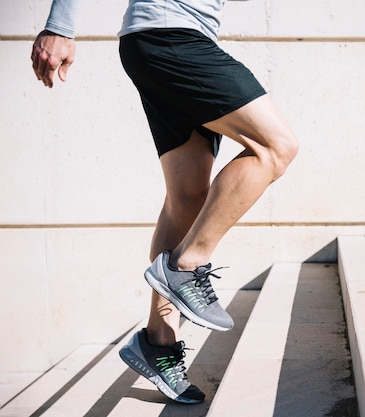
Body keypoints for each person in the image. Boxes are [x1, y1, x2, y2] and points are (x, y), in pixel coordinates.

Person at [31, 0, 298, 404]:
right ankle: (187, 265)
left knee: (186, 197)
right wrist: (60, 25)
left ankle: (158, 343)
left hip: (165, 39)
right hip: (170, 36)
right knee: (275, 147)